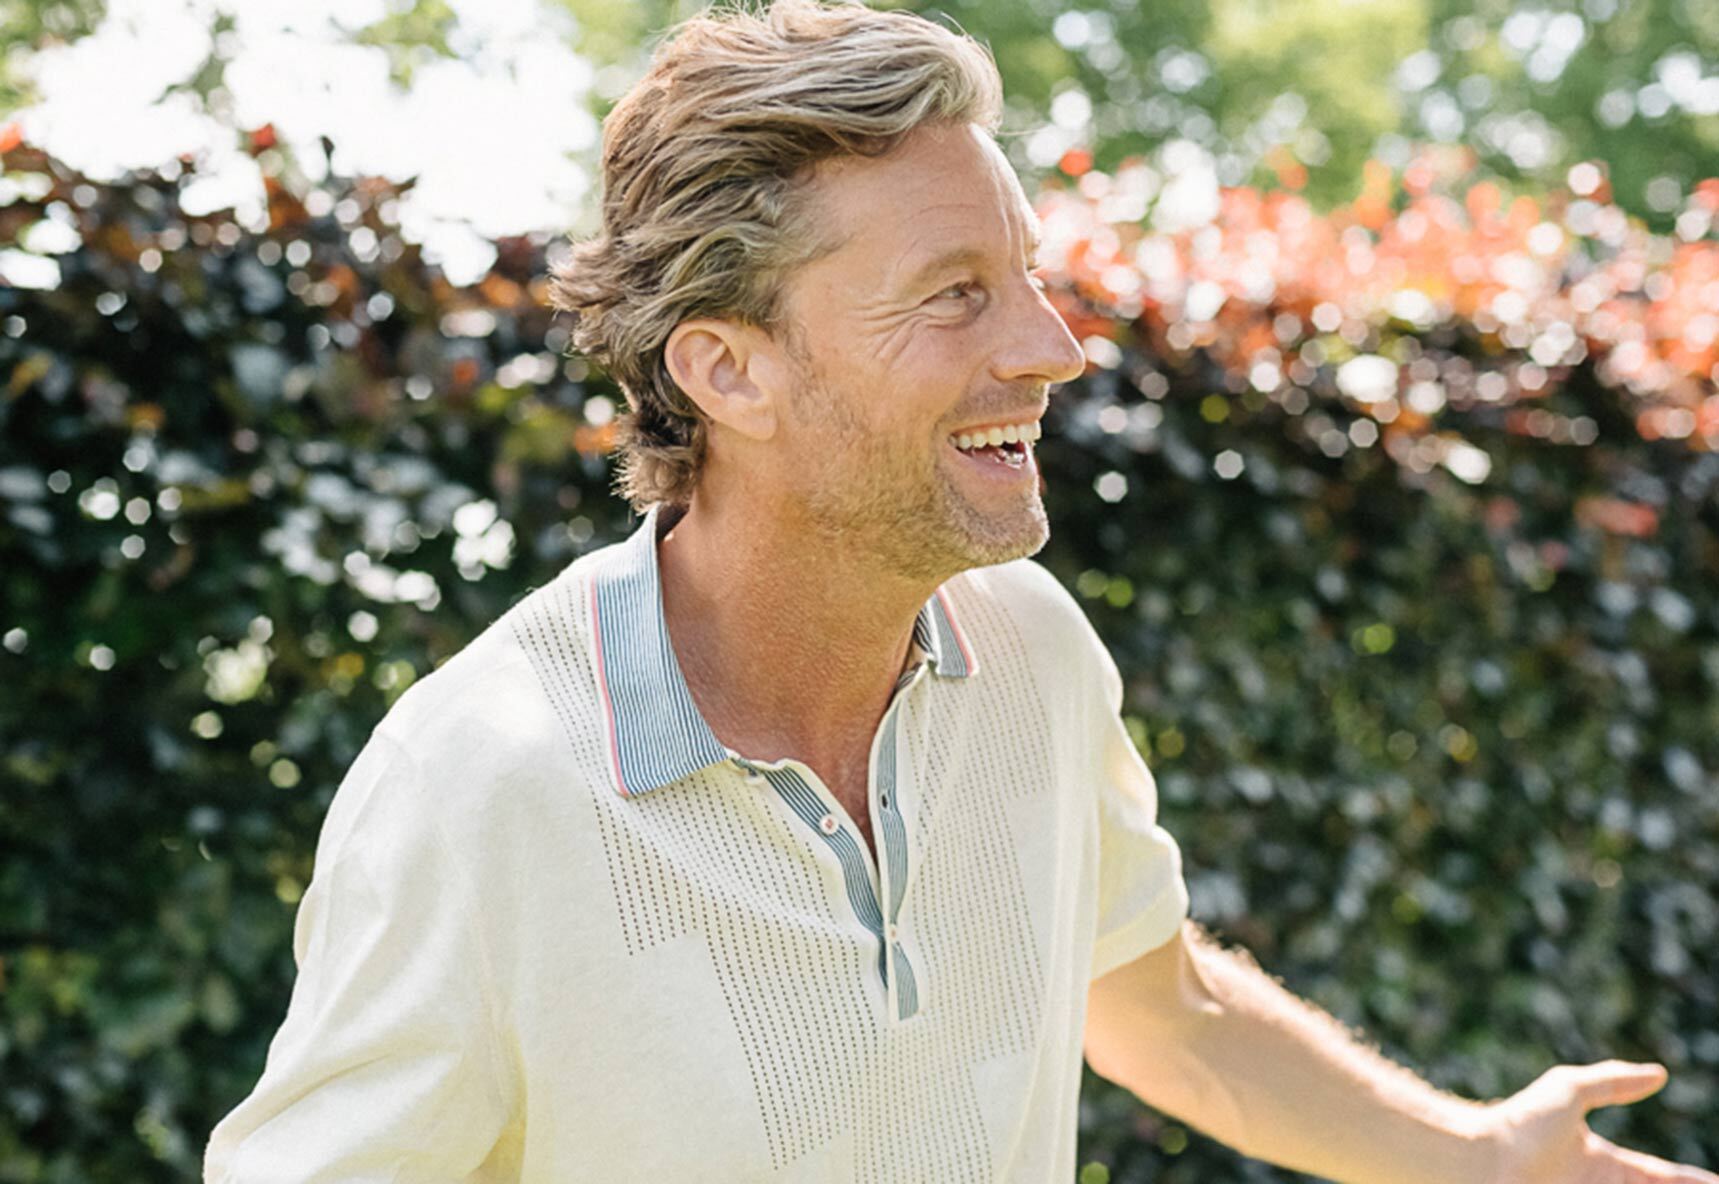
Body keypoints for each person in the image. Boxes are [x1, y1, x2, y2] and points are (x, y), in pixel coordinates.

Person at [205, 1, 1719, 1181]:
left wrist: (1476, 1158)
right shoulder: (482, 786)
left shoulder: (1031, 654)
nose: (1052, 347)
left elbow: (1163, 1009)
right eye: (954, 297)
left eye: (1028, 275)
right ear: (728, 370)